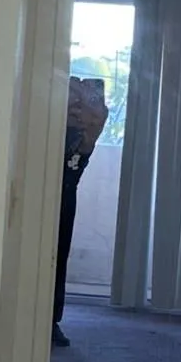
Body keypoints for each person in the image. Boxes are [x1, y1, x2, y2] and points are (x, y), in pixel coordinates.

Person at [51, 75, 109, 347]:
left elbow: (89, 139)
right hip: (43, 186)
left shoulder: (89, 122)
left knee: (58, 253)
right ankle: (43, 318)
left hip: (65, 189)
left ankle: (51, 320)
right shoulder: (52, 112)